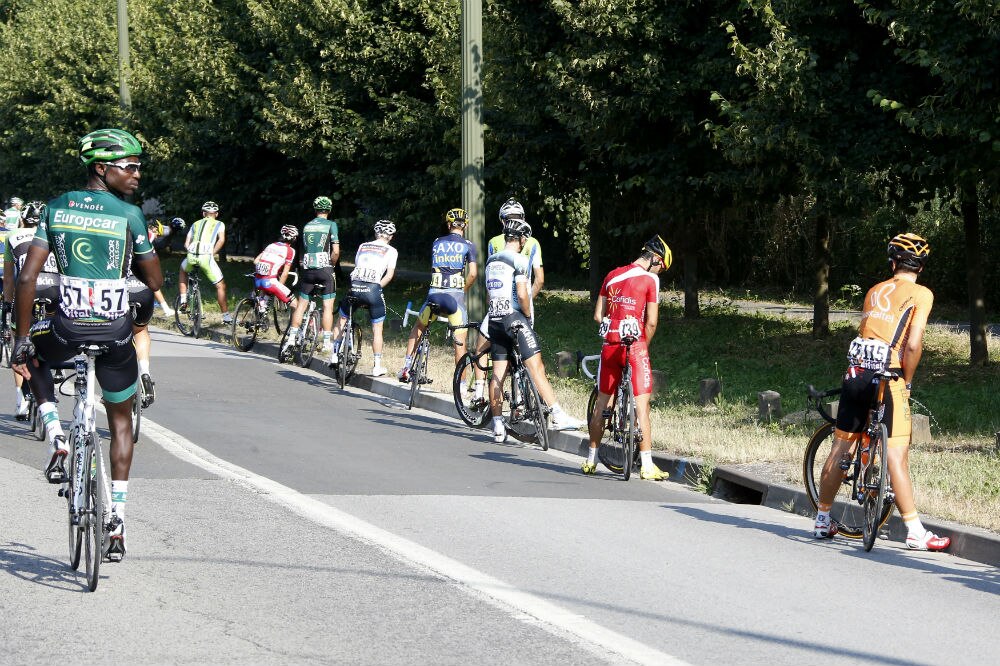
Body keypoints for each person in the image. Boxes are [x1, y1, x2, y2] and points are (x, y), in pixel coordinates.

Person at [11, 128, 163, 561]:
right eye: (130, 167)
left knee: (34, 359)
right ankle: (116, 515)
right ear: (102, 168)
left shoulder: (56, 208)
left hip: (66, 331)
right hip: (115, 335)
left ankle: (57, 434)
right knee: (119, 422)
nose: (137, 175)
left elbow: (26, 279)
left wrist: (22, 340)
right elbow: (153, 282)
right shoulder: (130, 216)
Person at [812, 233, 949, 552]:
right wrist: (908, 381)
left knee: (840, 448)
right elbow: (913, 345)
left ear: (893, 263)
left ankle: (821, 520)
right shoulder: (921, 294)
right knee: (896, 455)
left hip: (857, 371)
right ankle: (915, 531)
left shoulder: (874, 290)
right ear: (921, 267)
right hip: (889, 376)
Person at [484, 218, 583, 442]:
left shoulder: (491, 261)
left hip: (495, 319)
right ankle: (557, 414)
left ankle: (498, 425)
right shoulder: (519, 260)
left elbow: (489, 294)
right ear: (521, 239)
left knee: (498, 373)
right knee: (536, 365)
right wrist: (527, 315)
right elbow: (522, 295)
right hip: (514, 318)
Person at [581, 236, 672, 480]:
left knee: (602, 404)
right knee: (642, 406)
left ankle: (590, 460)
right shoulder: (650, 279)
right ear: (655, 258)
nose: (660, 272)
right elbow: (651, 321)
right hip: (635, 347)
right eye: (662, 267)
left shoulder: (611, 275)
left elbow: (598, 316)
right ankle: (646, 465)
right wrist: (643, 346)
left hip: (610, 346)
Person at [398, 208, 478, 382]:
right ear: (465, 226)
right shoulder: (468, 245)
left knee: (419, 327)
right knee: (460, 343)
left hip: (434, 296)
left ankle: (405, 367)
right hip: (454, 300)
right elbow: (472, 274)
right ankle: (462, 385)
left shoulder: (436, 242)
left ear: (449, 224)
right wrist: (462, 289)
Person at [2, 201, 59, 419]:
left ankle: (21, 399)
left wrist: (8, 304)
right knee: (48, 335)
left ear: (22, 219)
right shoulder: (54, 233)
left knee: (19, 339)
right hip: (54, 288)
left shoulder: (14, 235)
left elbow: (9, 279)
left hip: (29, 289)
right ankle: (52, 371)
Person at [329, 220, 397, 377]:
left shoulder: (363, 246)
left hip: (355, 286)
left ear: (375, 233)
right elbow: (389, 274)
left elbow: (358, 266)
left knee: (342, 319)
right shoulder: (392, 251)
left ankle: (333, 354)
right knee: (377, 329)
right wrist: (377, 288)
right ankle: (377, 366)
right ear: (391, 236)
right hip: (373, 288)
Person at [283, 196, 339, 354]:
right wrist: (331, 265)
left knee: (301, 305)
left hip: (307, 269)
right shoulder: (331, 225)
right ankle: (327, 342)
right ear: (329, 210)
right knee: (328, 306)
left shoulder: (307, 225)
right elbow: (335, 251)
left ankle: (292, 337)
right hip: (325, 268)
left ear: (315, 210)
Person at [178, 201, 230, 324]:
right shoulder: (219, 224)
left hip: (191, 256)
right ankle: (226, 317)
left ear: (203, 213)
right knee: (220, 286)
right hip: (206, 257)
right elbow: (221, 240)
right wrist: (213, 252)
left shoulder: (195, 224)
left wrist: (191, 251)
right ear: (216, 214)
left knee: (182, 270)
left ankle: (184, 300)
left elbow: (186, 243)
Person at [253, 225, 298, 307]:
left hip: (258, 280)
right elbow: (285, 273)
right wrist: (279, 290)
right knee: (296, 305)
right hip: (270, 282)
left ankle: (260, 310)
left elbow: (256, 261)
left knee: (262, 303)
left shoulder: (271, 245)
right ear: (294, 238)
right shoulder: (290, 251)